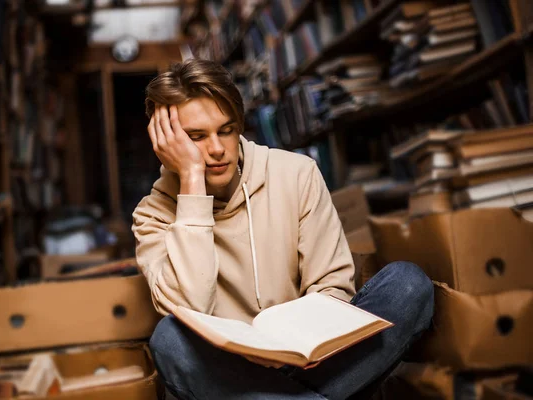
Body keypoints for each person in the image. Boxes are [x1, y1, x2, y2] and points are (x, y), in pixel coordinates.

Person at [132, 59, 434, 400]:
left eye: (226, 130)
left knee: (406, 285)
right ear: (166, 143)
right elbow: (192, 308)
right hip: (233, 376)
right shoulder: (152, 215)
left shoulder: (297, 174)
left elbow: (332, 288)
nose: (217, 149)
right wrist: (191, 183)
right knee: (169, 338)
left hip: (317, 361)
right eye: (196, 137)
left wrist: (302, 346)